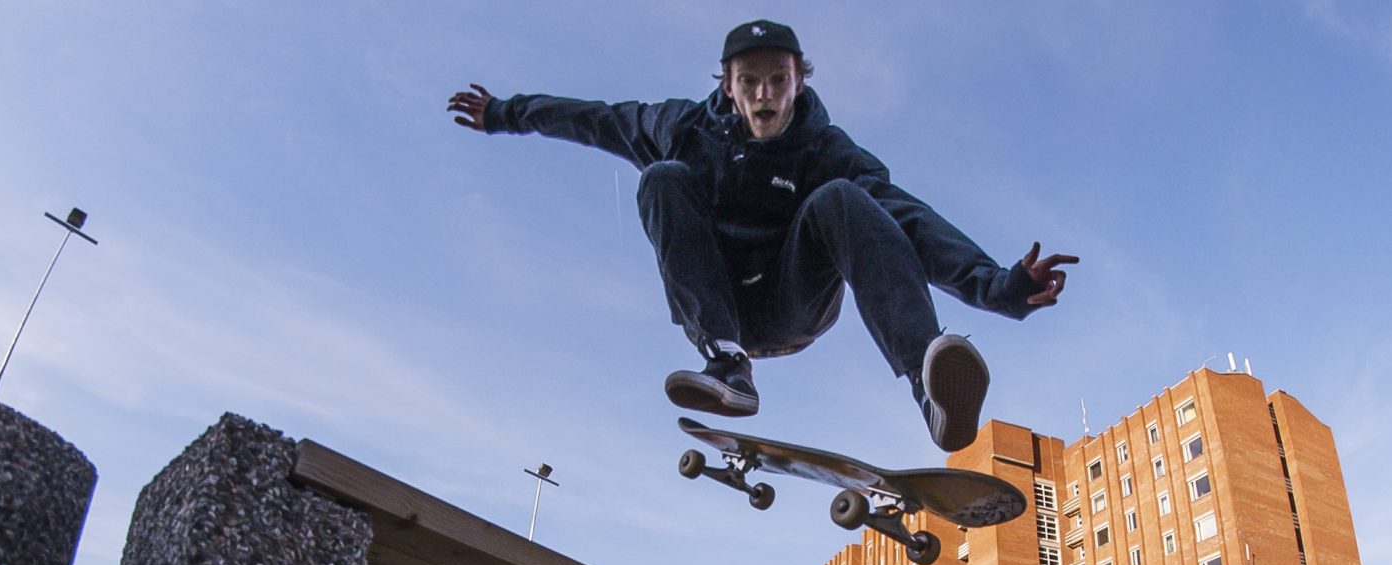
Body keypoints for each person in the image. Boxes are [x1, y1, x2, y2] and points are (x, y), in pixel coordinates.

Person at [447, 19, 1077, 452]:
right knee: (663, 178)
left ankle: (929, 388)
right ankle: (727, 367)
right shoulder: (683, 127)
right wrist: (506, 114)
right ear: (728, 85)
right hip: (719, 302)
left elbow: (905, 220)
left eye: (778, 80)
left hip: (790, 301)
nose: (765, 97)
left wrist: (1000, 287)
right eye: (749, 83)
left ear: (800, 80)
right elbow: (598, 121)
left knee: (845, 199)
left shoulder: (825, 149)